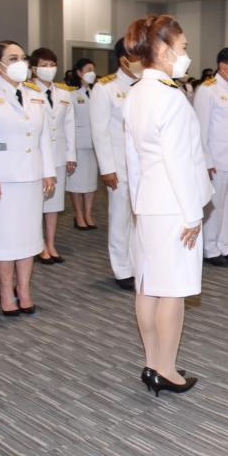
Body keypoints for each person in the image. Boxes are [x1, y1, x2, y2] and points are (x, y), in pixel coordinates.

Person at [122, 14, 213, 396]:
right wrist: (192, 214)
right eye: (183, 47)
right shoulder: (170, 97)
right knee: (172, 290)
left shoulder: (135, 93)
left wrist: (137, 203)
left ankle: (151, 362)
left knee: (148, 285)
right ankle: (167, 369)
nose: (187, 54)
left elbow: (132, 159)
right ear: (162, 49)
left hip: (149, 201)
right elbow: (179, 162)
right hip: (175, 204)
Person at [0, 39, 56, 315]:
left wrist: (48, 171)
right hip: (3, 179)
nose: (20, 63)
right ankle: (6, 291)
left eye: (22, 57)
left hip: (31, 176)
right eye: (13, 58)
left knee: (30, 236)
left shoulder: (34, 93)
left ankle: (25, 289)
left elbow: (44, 137)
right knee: (5, 238)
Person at [90, 38, 141, 291]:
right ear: (124, 59)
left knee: (140, 220)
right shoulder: (105, 88)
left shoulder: (146, 86)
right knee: (121, 219)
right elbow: (99, 133)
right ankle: (122, 269)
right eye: (138, 56)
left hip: (144, 167)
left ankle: (137, 264)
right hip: (119, 166)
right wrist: (107, 169)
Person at [193, 47, 228, 268]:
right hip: (217, 159)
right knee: (215, 205)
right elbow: (201, 128)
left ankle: (225, 245)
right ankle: (210, 248)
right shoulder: (208, 90)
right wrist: (206, 160)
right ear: (222, 65)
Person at [30, 47, 75, 264]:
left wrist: (71, 155)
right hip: (37, 157)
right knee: (36, 205)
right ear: (33, 69)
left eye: (52, 65)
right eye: (44, 65)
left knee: (54, 205)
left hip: (58, 156)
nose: (49, 69)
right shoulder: (28, 92)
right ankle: (37, 245)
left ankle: (50, 243)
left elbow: (69, 126)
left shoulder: (64, 93)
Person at [65, 60, 99, 229]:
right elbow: (68, 122)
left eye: (93, 69)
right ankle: (78, 214)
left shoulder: (96, 92)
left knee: (91, 182)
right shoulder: (71, 94)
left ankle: (88, 213)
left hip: (94, 144)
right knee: (77, 183)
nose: (92, 72)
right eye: (88, 69)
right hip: (78, 144)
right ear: (79, 73)